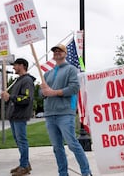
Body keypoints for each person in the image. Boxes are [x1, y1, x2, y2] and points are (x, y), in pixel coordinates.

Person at [40, 44, 92, 176]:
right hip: (50, 114)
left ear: (65, 53)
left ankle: (86, 172)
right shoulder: (47, 74)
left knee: (72, 144)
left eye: (60, 51)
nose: (57, 53)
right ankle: (63, 173)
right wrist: (43, 91)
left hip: (65, 112)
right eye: (55, 51)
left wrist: (54, 92)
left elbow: (74, 88)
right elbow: (42, 94)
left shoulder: (71, 69)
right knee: (57, 148)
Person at [1, 58, 35, 176]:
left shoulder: (27, 80)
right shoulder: (18, 80)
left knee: (22, 141)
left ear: (22, 66)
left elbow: (26, 98)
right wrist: (7, 99)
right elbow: (14, 99)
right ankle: (25, 164)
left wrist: (10, 97)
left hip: (20, 116)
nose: (13, 67)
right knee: (19, 141)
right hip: (14, 115)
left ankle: (24, 166)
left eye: (15, 65)